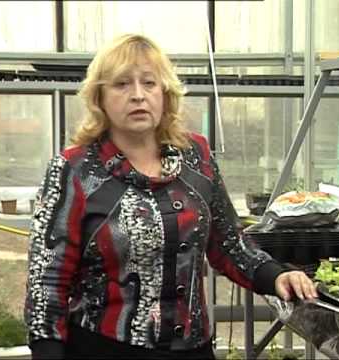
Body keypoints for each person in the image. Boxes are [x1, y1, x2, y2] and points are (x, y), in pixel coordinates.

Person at [24, 33, 318, 360]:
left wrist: (276, 274)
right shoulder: (75, 170)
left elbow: (229, 244)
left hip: (194, 350)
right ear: (100, 98)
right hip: (103, 349)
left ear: (164, 93)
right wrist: (47, 348)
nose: (138, 95)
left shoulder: (196, 157)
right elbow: (47, 279)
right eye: (121, 85)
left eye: (149, 83)